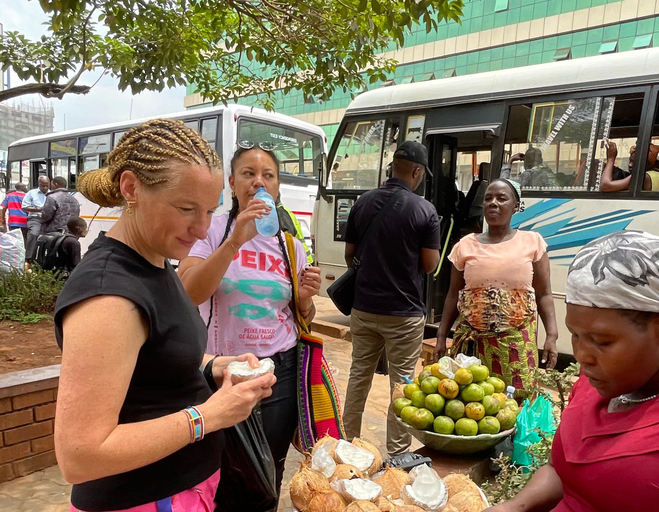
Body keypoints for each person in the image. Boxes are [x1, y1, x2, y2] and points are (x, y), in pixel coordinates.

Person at [54, 119, 276, 512]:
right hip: (145, 499)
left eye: (209, 210)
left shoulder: (154, 259)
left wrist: (215, 366)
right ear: (131, 188)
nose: (200, 228)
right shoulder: (109, 294)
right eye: (186, 209)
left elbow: (153, 360)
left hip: (184, 490)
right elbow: (79, 456)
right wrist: (208, 416)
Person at [484, 230, 659, 512]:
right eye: (576, 335)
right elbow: (562, 471)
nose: (583, 356)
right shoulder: (596, 381)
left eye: (602, 341)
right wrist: (515, 507)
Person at [178, 141, 321, 501]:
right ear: (232, 183)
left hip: (280, 371)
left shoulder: (291, 244)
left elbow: (300, 315)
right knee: (222, 469)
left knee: (267, 466)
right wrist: (234, 242)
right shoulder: (211, 232)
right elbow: (187, 292)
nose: (259, 182)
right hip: (223, 372)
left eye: (268, 176)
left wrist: (304, 300)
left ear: (276, 188)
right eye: (248, 173)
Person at [341, 140, 441, 456]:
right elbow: (430, 265)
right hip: (404, 314)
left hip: (364, 308)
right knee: (402, 384)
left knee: (359, 376)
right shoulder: (424, 210)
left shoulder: (363, 203)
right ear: (416, 171)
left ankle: (345, 444)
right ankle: (397, 455)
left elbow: (349, 256)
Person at [436, 178, 559, 394]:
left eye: (502, 198)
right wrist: (440, 337)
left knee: (514, 403)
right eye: (488, 198)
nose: (493, 203)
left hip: (516, 346)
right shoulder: (465, 245)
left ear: (516, 207)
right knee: (469, 404)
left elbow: (544, 294)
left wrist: (552, 336)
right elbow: (453, 296)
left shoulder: (532, 242)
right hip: (471, 346)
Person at [276, 194, 313, 264]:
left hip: (300, 260)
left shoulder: (280, 211)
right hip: (303, 258)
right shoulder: (284, 209)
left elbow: (289, 233)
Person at [21, 175, 49, 266]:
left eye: (47, 185)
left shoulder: (51, 194)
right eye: (43, 185)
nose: (45, 188)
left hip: (48, 219)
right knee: (34, 234)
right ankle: (29, 258)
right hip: (35, 218)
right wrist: (39, 209)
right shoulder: (31, 193)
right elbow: (24, 207)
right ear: (39, 184)